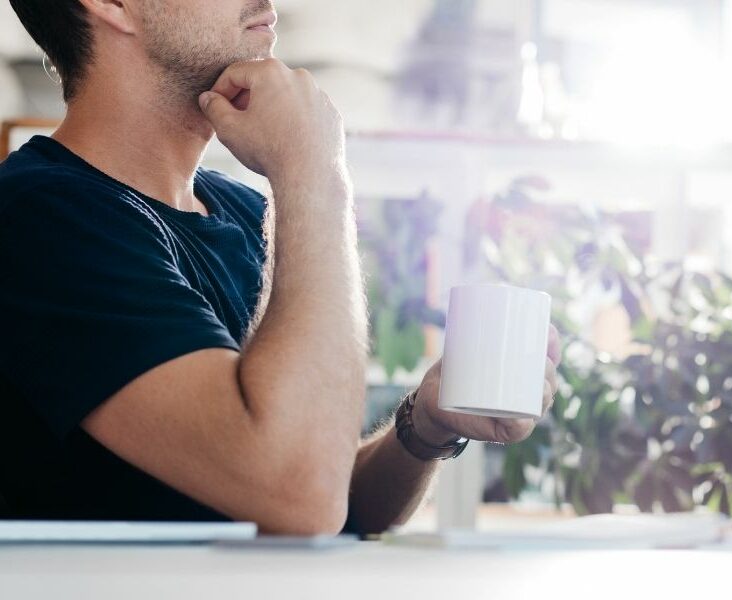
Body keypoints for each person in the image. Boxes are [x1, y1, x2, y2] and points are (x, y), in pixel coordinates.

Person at [0, 0, 561, 534]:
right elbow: (299, 495)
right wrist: (313, 167)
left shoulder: (247, 213)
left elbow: (331, 509)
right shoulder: (39, 216)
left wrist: (425, 427)